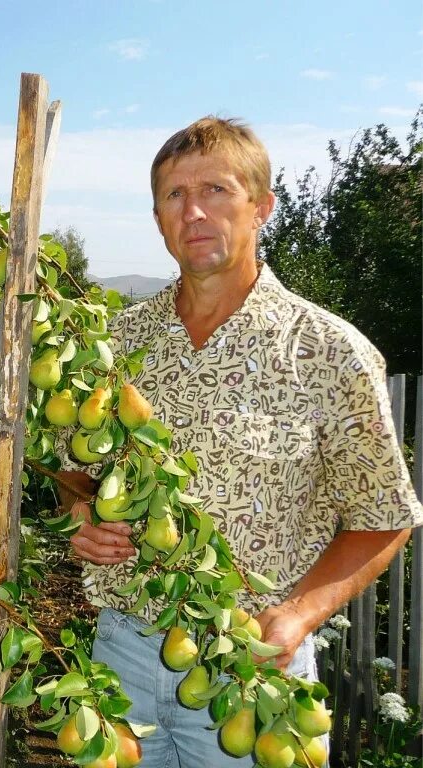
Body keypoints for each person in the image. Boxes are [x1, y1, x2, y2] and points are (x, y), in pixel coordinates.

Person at [56, 115, 423, 767]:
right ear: (158, 217)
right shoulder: (115, 346)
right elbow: (75, 471)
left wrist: (297, 617)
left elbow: (385, 518)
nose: (193, 210)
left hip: (250, 674)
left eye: (217, 190)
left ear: (262, 207)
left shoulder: (329, 353)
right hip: (122, 656)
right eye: (174, 195)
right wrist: (82, 514)